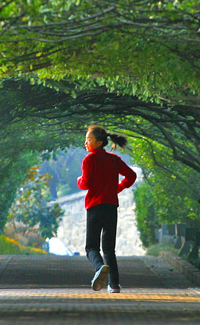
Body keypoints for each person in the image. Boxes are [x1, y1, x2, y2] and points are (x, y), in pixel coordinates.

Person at [77, 125, 137, 293]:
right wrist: (118, 188)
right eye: (86, 139)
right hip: (111, 206)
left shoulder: (89, 160)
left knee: (91, 247)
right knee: (109, 248)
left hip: (95, 206)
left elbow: (85, 184)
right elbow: (131, 176)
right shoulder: (114, 159)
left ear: (99, 142)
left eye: (89, 139)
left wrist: (79, 180)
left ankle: (99, 267)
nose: (86, 142)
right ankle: (114, 285)